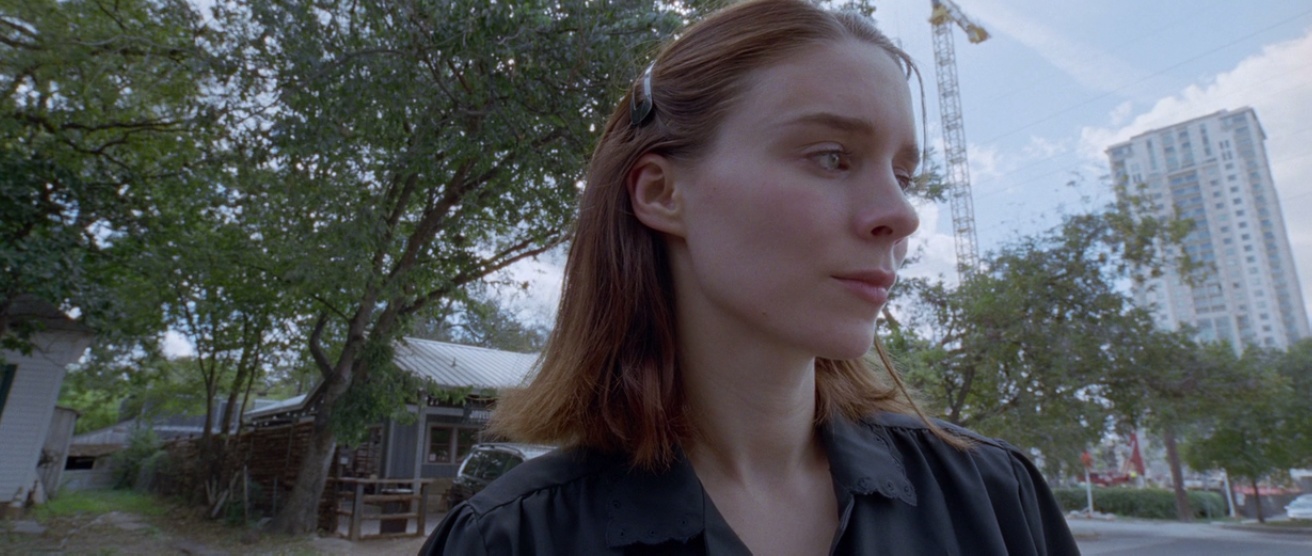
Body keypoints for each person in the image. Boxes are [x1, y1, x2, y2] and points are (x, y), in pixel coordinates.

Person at [421, 0, 1079, 554]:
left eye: (903, 176)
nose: (902, 215)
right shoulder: (509, 540)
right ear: (662, 193)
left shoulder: (996, 501)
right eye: (832, 157)